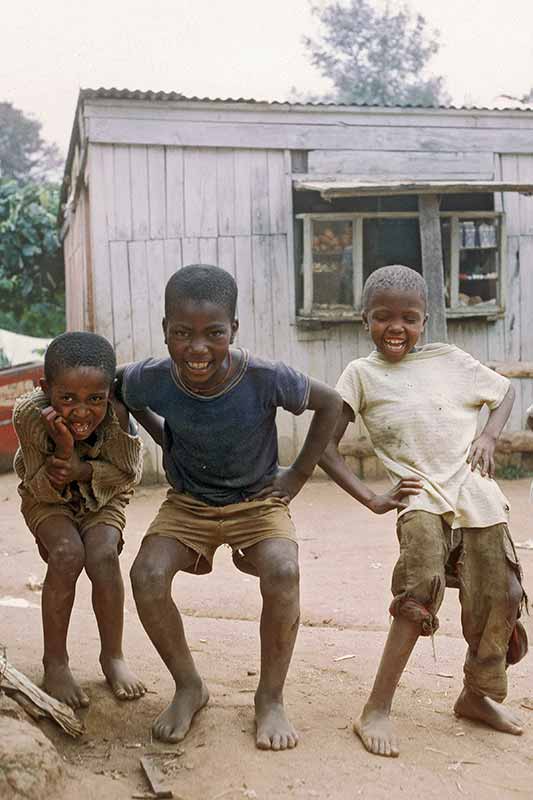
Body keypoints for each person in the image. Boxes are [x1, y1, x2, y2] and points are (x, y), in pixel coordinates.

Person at [117, 264, 342, 751]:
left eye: (213, 333)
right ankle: (189, 686)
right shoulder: (152, 379)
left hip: (258, 500)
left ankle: (270, 698)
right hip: (189, 504)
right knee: (146, 575)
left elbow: (332, 403)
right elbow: (119, 391)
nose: (197, 348)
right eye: (182, 333)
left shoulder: (264, 377)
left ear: (233, 330)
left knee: (283, 570)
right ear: (165, 331)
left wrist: (298, 475)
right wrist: (161, 441)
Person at [320, 264, 528, 758]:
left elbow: (505, 392)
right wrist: (370, 497)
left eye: (409, 318)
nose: (397, 327)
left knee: (502, 593)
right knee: (418, 594)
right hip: (419, 496)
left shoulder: (451, 360)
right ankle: (376, 708)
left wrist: (489, 435)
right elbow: (324, 447)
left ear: (425, 321)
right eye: (383, 317)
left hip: (475, 495)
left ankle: (476, 696)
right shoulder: (360, 374)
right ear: (363, 320)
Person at [13, 331, 146, 709]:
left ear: (109, 393)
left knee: (103, 555)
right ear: (45, 388)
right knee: (68, 553)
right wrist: (65, 450)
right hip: (47, 497)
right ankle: (55, 663)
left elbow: (128, 473)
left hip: (103, 495)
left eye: (95, 399)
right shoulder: (30, 415)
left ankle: (113, 657)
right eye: (67, 398)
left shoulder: (117, 414)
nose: (81, 411)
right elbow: (38, 486)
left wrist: (81, 469)